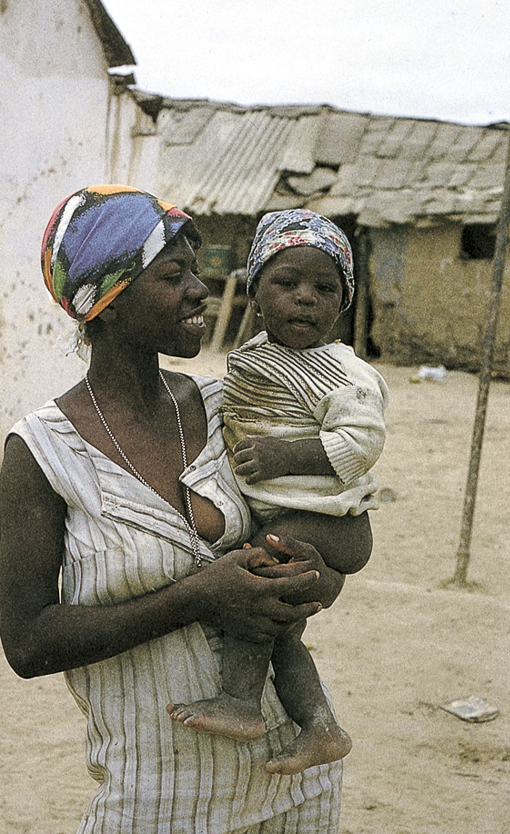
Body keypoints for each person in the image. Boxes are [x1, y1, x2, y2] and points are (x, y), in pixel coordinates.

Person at [0, 186, 348, 834]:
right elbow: (29, 643)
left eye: (197, 269)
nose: (200, 289)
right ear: (107, 298)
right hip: (154, 804)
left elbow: (331, 540)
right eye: (173, 275)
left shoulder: (228, 407)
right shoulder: (41, 451)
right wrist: (196, 597)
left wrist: (315, 577)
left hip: (293, 782)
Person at [167, 209, 389, 776]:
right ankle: (320, 725)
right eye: (286, 283)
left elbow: (362, 442)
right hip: (294, 513)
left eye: (324, 287)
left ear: (343, 302)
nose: (305, 298)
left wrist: (285, 456)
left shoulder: (343, 371)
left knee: (253, 575)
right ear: (255, 294)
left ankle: (241, 703)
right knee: (280, 625)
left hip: (327, 522)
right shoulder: (257, 360)